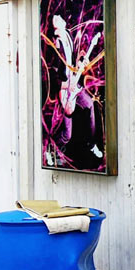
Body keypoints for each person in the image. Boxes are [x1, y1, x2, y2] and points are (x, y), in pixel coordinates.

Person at [52, 14, 104, 169]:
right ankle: (54, 148)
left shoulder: (68, 35)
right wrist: (67, 86)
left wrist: (82, 59)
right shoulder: (56, 45)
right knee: (67, 134)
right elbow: (53, 79)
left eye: (59, 18)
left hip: (74, 83)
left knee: (89, 105)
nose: (59, 18)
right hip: (65, 89)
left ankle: (91, 143)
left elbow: (74, 61)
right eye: (55, 19)